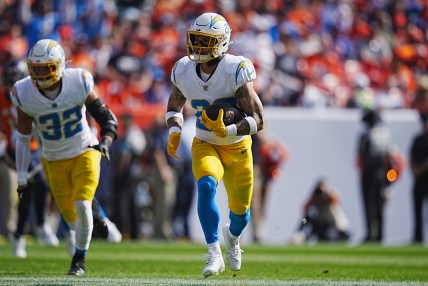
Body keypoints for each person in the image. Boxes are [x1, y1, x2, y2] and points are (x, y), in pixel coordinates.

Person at [165, 12, 264, 277]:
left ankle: (232, 238)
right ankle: (213, 253)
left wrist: (229, 128)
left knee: (241, 214)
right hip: (205, 142)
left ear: (221, 43)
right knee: (206, 185)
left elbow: (259, 120)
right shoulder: (184, 69)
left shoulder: (236, 69)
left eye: (205, 40)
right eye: (195, 39)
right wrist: (174, 129)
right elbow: (174, 105)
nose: (198, 45)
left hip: (238, 147)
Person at [10, 39, 118, 275]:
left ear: (59, 66)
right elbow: (23, 139)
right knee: (73, 221)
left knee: (82, 204)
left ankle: (79, 261)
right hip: (53, 158)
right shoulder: (24, 92)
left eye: (46, 67)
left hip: (84, 150)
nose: (40, 74)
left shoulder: (77, 81)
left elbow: (105, 116)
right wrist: (21, 178)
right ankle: (98, 216)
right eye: (35, 68)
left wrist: (107, 140)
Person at [1, 60, 60, 259]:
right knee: (33, 188)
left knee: (36, 188)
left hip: (33, 148)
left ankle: (25, 233)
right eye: (9, 83)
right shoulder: (2, 98)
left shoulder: (31, 96)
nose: (11, 88)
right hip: (12, 151)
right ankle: (35, 228)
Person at [356, 109, 394, 242]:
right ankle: (380, 235)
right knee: (380, 207)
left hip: (369, 175)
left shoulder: (366, 135)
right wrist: (390, 182)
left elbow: (360, 157)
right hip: (382, 175)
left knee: (369, 205)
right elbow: (391, 161)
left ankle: (370, 234)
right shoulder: (386, 135)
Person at [250, 131, 288, 243]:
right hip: (252, 164)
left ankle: (258, 231)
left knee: (260, 201)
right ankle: (253, 231)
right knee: (253, 201)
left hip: (260, 165)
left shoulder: (257, 120)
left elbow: (265, 138)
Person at [288, 178, 351, 244]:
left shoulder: (331, 197)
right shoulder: (315, 199)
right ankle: (298, 234)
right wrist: (314, 197)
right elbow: (305, 208)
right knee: (304, 219)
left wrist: (327, 193)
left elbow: (336, 201)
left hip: (333, 225)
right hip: (319, 224)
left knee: (330, 237)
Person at [409, 112, 428, 243]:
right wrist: (418, 169)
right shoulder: (418, 140)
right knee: (417, 212)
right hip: (419, 181)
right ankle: (418, 239)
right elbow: (411, 159)